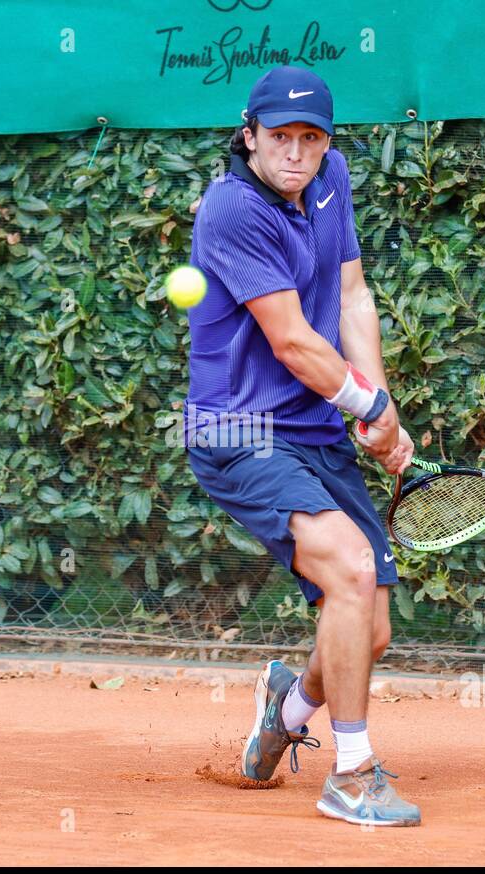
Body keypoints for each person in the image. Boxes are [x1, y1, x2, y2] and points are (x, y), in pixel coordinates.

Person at [183, 65, 420, 826]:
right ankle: (352, 774)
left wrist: (379, 412)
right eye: (279, 136)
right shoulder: (231, 210)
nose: (295, 150)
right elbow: (290, 341)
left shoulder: (331, 180)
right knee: (351, 570)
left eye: (310, 137)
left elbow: (352, 297)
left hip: (316, 426)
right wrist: (368, 403)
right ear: (248, 135)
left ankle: (286, 716)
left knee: (370, 628)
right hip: (239, 432)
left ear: (326, 142)